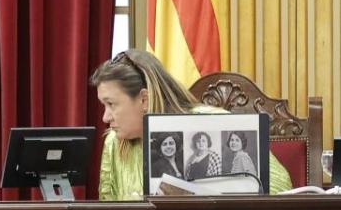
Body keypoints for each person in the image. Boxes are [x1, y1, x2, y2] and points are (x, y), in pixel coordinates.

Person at [90, 49, 292, 200]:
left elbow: (280, 189)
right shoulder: (113, 143)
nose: (105, 118)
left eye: (111, 104)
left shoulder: (211, 122)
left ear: (144, 99)